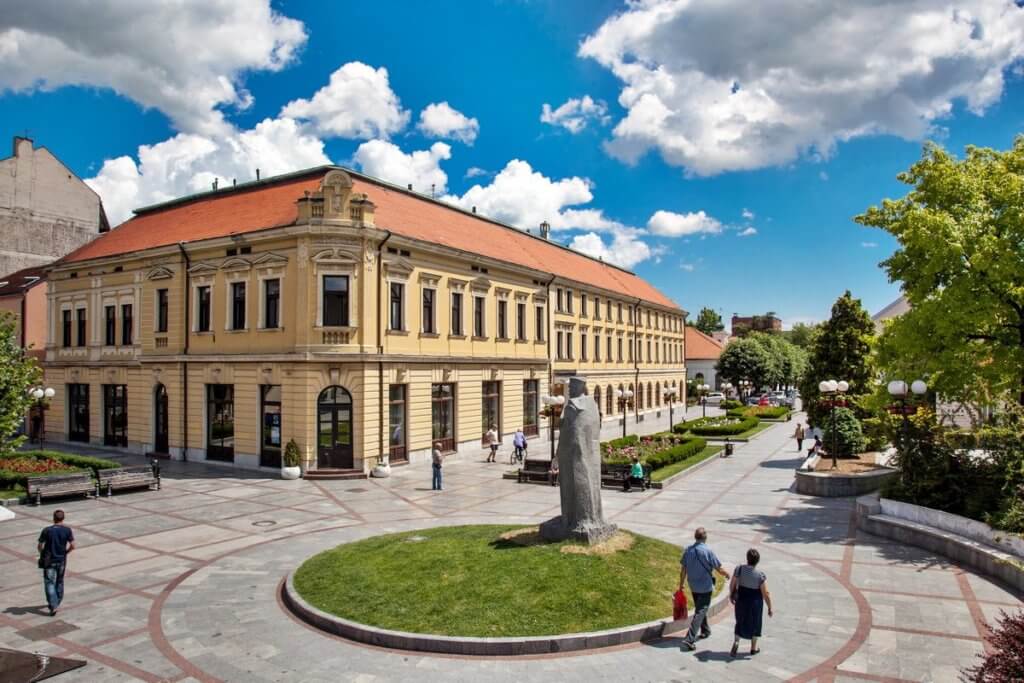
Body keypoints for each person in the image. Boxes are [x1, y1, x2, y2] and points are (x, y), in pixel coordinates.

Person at [679, 527, 729, 651]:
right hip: (705, 586)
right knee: (701, 610)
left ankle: (705, 630)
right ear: (705, 537)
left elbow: (683, 569)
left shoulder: (688, 551)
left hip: (693, 585)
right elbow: (718, 568)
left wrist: (681, 584)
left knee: (700, 607)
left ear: (695, 537)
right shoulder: (708, 551)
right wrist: (727, 574)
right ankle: (689, 639)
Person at [730, 548, 774, 657]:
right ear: (757, 561)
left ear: (747, 558)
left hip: (741, 599)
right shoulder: (760, 575)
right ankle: (753, 648)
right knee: (756, 623)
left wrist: (732, 595)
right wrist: (770, 607)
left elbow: (732, 584)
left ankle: (736, 641)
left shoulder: (739, 569)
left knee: (740, 620)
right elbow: (765, 593)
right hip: (755, 602)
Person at [38, 509, 75, 617]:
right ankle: (57, 602)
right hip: (61, 560)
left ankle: (53, 605)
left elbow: (40, 546)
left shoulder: (47, 530)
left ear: (53, 518)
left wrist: (43, 553)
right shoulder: (67, 530)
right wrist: (66, 552)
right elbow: (73, 545)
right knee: (59, 581)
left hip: (49, 561)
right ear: (63, 518)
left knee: (49, 582)